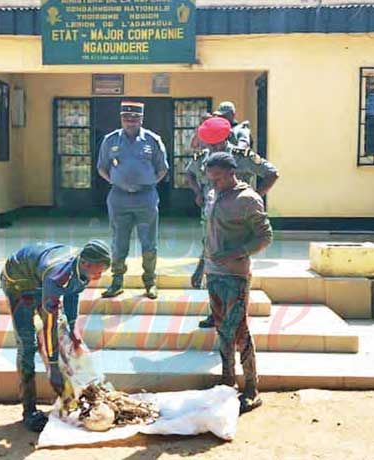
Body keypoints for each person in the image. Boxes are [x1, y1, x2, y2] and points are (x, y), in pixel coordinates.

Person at [0, 240, 111, 432]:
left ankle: (69, 400)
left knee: (64, 337)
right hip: (19, 284)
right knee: (28, 346)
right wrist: (53, 366)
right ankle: (29, 411)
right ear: (85, 263)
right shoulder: (57, 277)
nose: (99, 276)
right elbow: (49, 325)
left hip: (40, 277)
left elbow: (72, 292)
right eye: (98, 271)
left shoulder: (82, 270)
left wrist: (74, 326)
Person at [186, 117, 279, 328]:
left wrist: (253, 195)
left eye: (217, 143)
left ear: (227, 137)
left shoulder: (241, 156)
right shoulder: (203, 157)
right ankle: (215, 313)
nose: (213, 147)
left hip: (238, 219)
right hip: (211, 216)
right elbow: (189, 173)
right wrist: (197, 192)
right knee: (212, 258)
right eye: (209, 144)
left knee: (237, 264)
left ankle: (237, 315)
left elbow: (272, 173)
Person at [202, 151, 274, 414]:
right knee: (222, 329)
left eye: (218, 179)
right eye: (211, 179)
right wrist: (202, 266)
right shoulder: (212, 196)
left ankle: (252, 387)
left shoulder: (248, 199)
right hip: (213, 274)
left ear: (232, 174)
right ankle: (226, 382)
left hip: (235, 275)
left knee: (238, 330)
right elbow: (207, 234)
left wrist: (234, 253)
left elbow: (265, 237)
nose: (214, 184)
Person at [96, 101, 169, 299]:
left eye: (134, 118)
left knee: (149, 243)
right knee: (118, 243)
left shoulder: (152, 140)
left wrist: (149, 183)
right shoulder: (110, 140)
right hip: (118, 198)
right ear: (121, 119)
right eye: (126, 118)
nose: (130, 122)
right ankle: (117, 281)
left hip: (145, 197)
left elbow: (163, 168)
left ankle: (150, 282)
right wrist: (116, 181)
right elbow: (101, 167)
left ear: (141, 119)